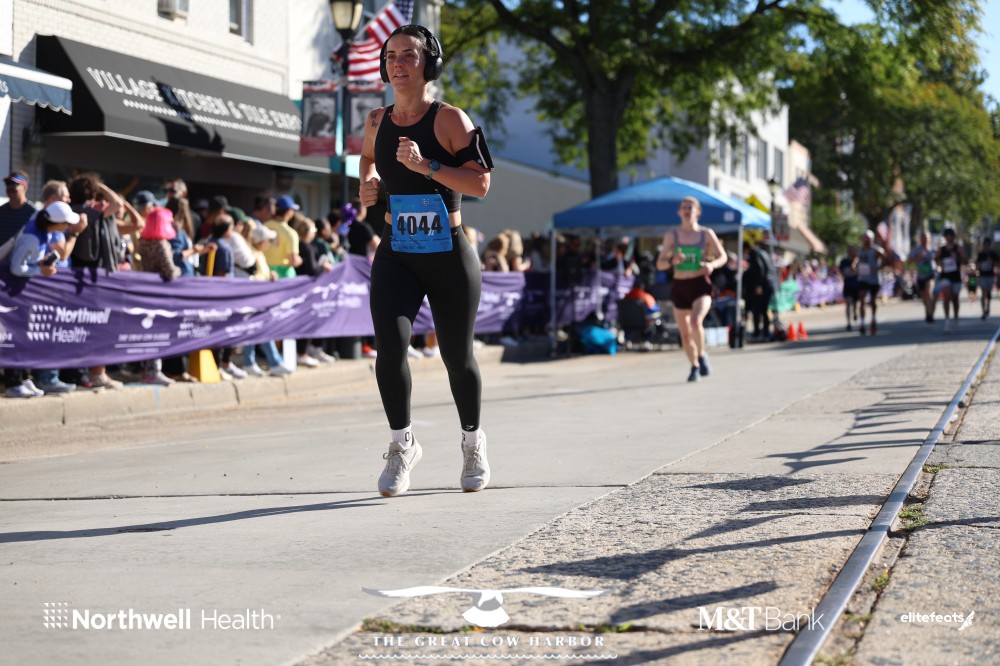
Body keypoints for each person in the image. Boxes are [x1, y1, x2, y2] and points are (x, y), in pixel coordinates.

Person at [358, 24, 494, 497]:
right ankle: (402, 445)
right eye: (391, 56)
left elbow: (481, 184)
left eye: (409, 55)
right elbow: (368, 159)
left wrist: (428, 167)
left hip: (448, 253)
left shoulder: (450, 119)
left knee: (457, 356)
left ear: (428, 63)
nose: (398, 64)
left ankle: (473, 443)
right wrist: (368, 184)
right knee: (390, 348)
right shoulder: (376, 120)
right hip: (396, 250)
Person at [655, 196, 726, 382]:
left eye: (691, 207)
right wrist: (672, 261)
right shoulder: (672, 235)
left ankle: (701, 355)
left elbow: (723, 256)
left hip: (700, 285)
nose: (687, 210)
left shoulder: (706, 234)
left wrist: (712, 265)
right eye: (684, 207)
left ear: (698, 212)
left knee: (695, 322)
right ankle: (694, 367)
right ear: (679, 212)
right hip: (680, 286)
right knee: (685, 335)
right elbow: (660, 264)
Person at [743, 238, 777, 341]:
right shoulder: (763, 253)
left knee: (758, 310)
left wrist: (758, 285)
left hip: (763, 286)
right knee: (763, 310)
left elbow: (760, 269)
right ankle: (765, 332)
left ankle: (759, 332)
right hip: (768, 284)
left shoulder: (754, 254)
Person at [263, 195, 303, 278]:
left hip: (265, 273)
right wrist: (300, 260)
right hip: (284, 276)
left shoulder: (264, 226)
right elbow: (293, 261)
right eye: (292, 210)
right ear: (288, 211)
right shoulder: (290, 233)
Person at [854, 230, 885, 335]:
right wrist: (855, 266)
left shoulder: (875, 250)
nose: (866, 241)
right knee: (862, 299)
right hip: (863, 278)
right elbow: (856, 259)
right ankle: (862, 322)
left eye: (868, 239)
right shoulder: (860, 250)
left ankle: (873, 319)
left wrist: (879, 267)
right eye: (865, 238)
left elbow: (885, 257)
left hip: (874, 279)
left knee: (873, 300)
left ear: (872, 239)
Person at [936, 227, 966, 333]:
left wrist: (958, 257)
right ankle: (947, 320)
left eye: (951, 236)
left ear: (954, 237)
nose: (949, 238)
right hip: (945, 276)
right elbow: (936, 259)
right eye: (947, 236)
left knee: (955, 299)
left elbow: (965, 261)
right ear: (945, 237)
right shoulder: (942, 249)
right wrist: (939, 264)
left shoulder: (958, 248)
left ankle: (956, 318)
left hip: (956, 277)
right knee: (946, 296)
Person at [908, 231, 936, 324]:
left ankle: (930, 314)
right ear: (920, 239)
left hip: (931, 275)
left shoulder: (933, 250)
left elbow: (938, 260)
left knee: (928, 292)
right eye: (923, 238)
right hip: (920, 276)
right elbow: (909, 262)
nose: (925, 240)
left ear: (929, 239)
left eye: (927, 238)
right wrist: (918, 257)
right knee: (924, 296)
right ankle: (928, 310)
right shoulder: (916, 250)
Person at [975, 238, 998, 319]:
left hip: (990, 276)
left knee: (988, 293)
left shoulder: (993, 254)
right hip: (982, 276)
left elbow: (998, 264)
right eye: (985, 245)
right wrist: (981, 264)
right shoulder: (980, 254)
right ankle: (983, 311)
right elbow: (977, 265)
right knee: (984, 291)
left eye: (987, 245)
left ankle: (988, 307)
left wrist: (992, 262)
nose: (986, 246)